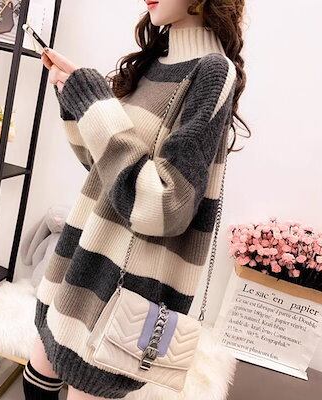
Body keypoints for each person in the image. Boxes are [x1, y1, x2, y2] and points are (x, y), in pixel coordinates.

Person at [23, 1, 250, 399]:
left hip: (116, 292)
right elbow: (102, 168)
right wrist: (76, 99)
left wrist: (95, 102)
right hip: (77, 265)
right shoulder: (153, 63)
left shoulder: (213, 72)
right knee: (36, 377)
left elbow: (164, 206)